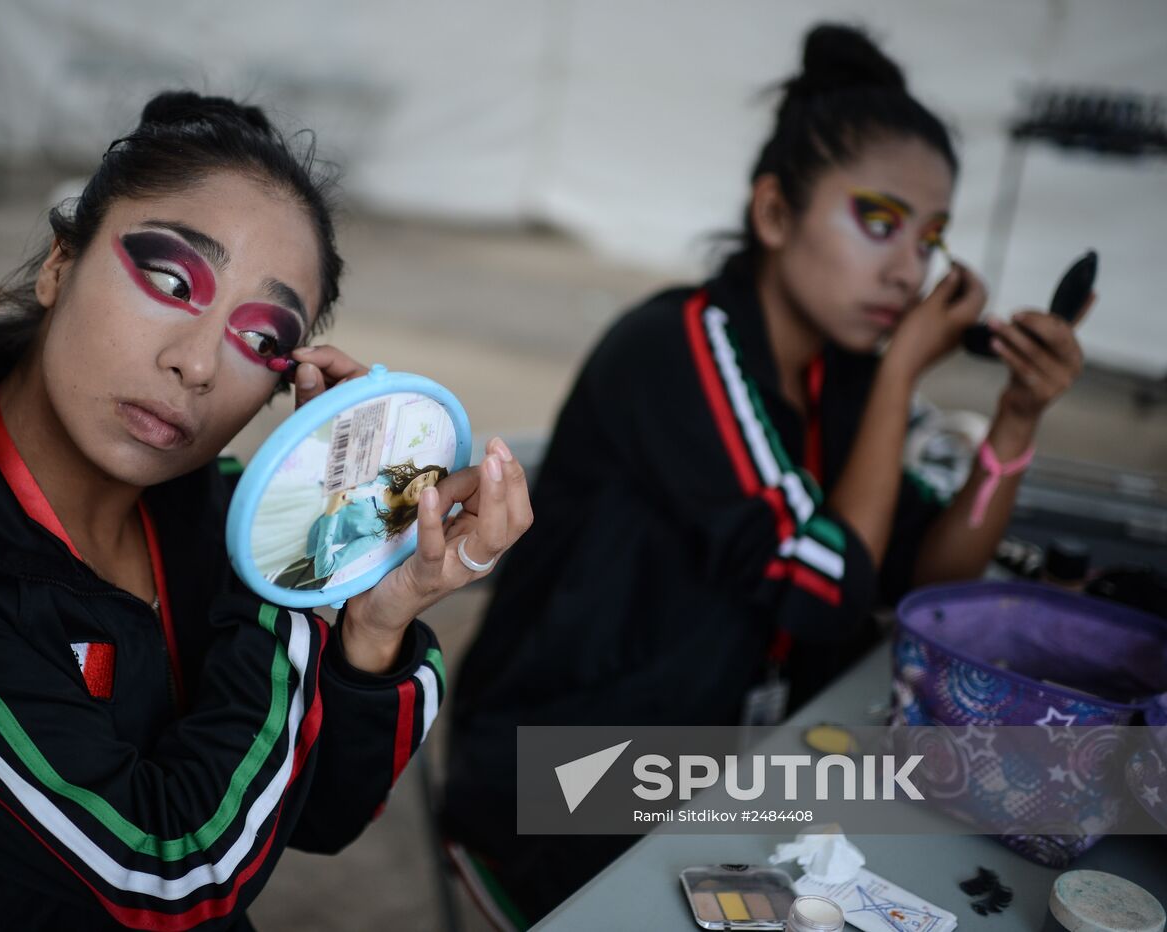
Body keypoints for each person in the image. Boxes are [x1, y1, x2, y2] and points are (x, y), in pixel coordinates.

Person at [0, 91, 532, 930]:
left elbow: (318, 818)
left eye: (260, 339)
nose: (198, 363)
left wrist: (367, 619)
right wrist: (293, 573)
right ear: (58, 267)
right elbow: (172, 871)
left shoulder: (211, 515)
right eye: (171, 280)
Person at [443, 24, 1089, 923]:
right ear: (775, 213)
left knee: (910, 851)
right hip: (555, 775)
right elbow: (829, 590)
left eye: (931, 237)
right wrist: (904, 371)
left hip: (720, 751)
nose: (910, 270)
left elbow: (931, 583)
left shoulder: (840, 374)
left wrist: (1018, 418)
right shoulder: (681, 349)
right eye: (878, 222)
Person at [278, 463, 449, 589]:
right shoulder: (384, 476)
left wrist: (331, 514)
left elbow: (324, 569)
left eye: (426, 489)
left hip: (294, 537)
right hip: (295, 496)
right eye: (425, 478)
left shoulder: (379, 530)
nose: (418, 485)